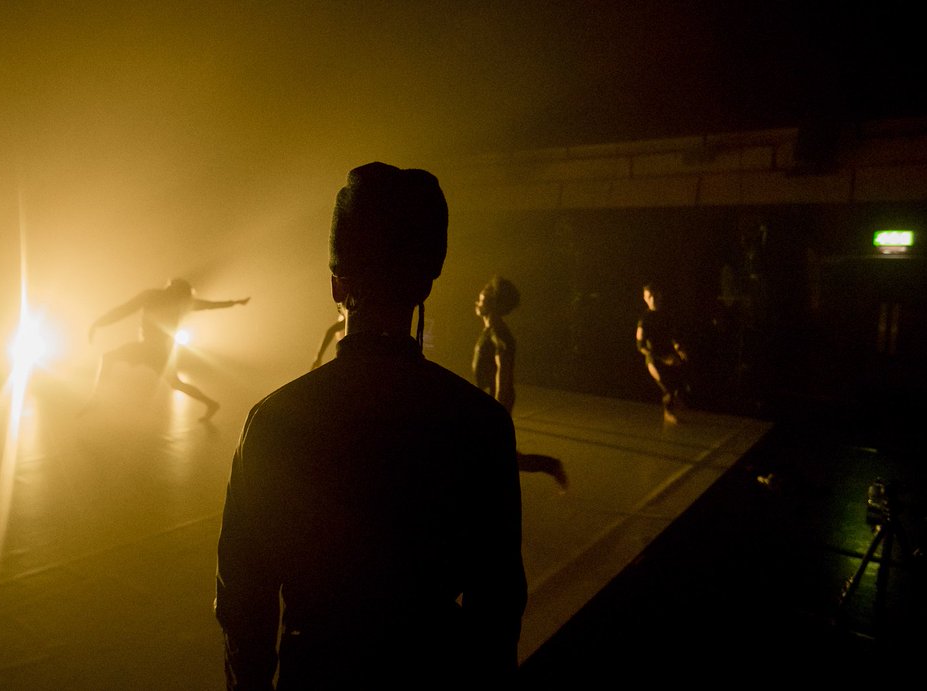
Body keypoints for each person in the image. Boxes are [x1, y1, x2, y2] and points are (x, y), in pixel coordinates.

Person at [215, 163, 526, 690]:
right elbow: (497, 601)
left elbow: (244, 600)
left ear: (337, 282)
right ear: (425, 283)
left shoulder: (274, 420)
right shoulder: (480, 422)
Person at [84, 278, 249, 421]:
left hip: (152, 348)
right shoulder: (175, 300)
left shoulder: (162, 298)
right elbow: (209, 305)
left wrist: (98, 323)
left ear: (173, 287)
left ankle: (97, 397)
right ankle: (211, 404)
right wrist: (235, 302)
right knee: (175, 383)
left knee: (109, 357)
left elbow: (124, 310)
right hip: (158, 350)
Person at [473, 276, 568, 490]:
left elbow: (504, 377)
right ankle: (550, 465)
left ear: (495, 304)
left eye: (484, 296)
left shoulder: (499, 334)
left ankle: (550, 465)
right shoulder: (491, 330)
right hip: (488, 402)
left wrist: (496, 413)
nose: (478, 299)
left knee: (494, 455)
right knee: (497, 454)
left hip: (496, 401)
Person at [635, 283, 688, 423]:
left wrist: (679, 348)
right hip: (654, 360)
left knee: (680, 381)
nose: (652, 299)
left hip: (669, 356)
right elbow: (640, 346)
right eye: (649, 297)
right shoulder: (644, 320)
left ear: (659, 296)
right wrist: (662, 359)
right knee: (667, 386)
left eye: (654, 296)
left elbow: (673, 336)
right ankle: (668, 412)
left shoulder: (666, 315)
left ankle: (674, 402)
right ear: (645, 299)